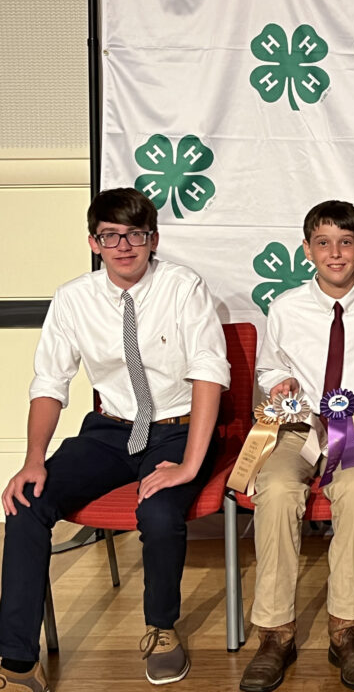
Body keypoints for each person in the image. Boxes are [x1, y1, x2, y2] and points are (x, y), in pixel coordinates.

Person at [0, 188, 230, 690]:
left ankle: (162, 630)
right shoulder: (72, 298)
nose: (124, 246)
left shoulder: (183, 287)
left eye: (135, 235)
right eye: (110, 235)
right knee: (26, 501)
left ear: (153, 239)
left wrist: (191, 465)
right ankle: (16, 659)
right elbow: (49, 384)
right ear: (93, 241)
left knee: (160, 510)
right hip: (110, 430)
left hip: (177, 429)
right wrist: (33, 459)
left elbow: (209, 372)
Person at [241, 200, 354, 692]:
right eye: (323, 243)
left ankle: (346, 629)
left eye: (345, 242)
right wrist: (280, 382)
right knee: (274, 489)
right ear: (307, 250)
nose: (334, 253)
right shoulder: (286, 307)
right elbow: (269, 367)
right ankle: (275, 633)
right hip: (298, 427)